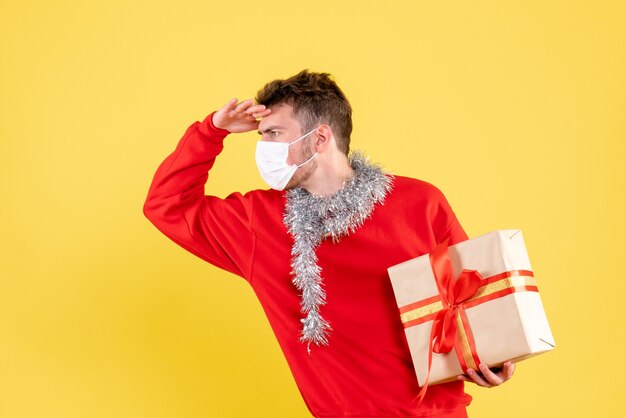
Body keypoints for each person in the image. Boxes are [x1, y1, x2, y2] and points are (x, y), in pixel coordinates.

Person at [142, 70, 515, 418]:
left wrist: (493, 359)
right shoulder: (256, 222)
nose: (263, 148)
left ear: (319, 138)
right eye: (262, 136)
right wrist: (211, 131)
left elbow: (474, 297)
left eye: (273, 134)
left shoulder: (420, 201)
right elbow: (166, 205)